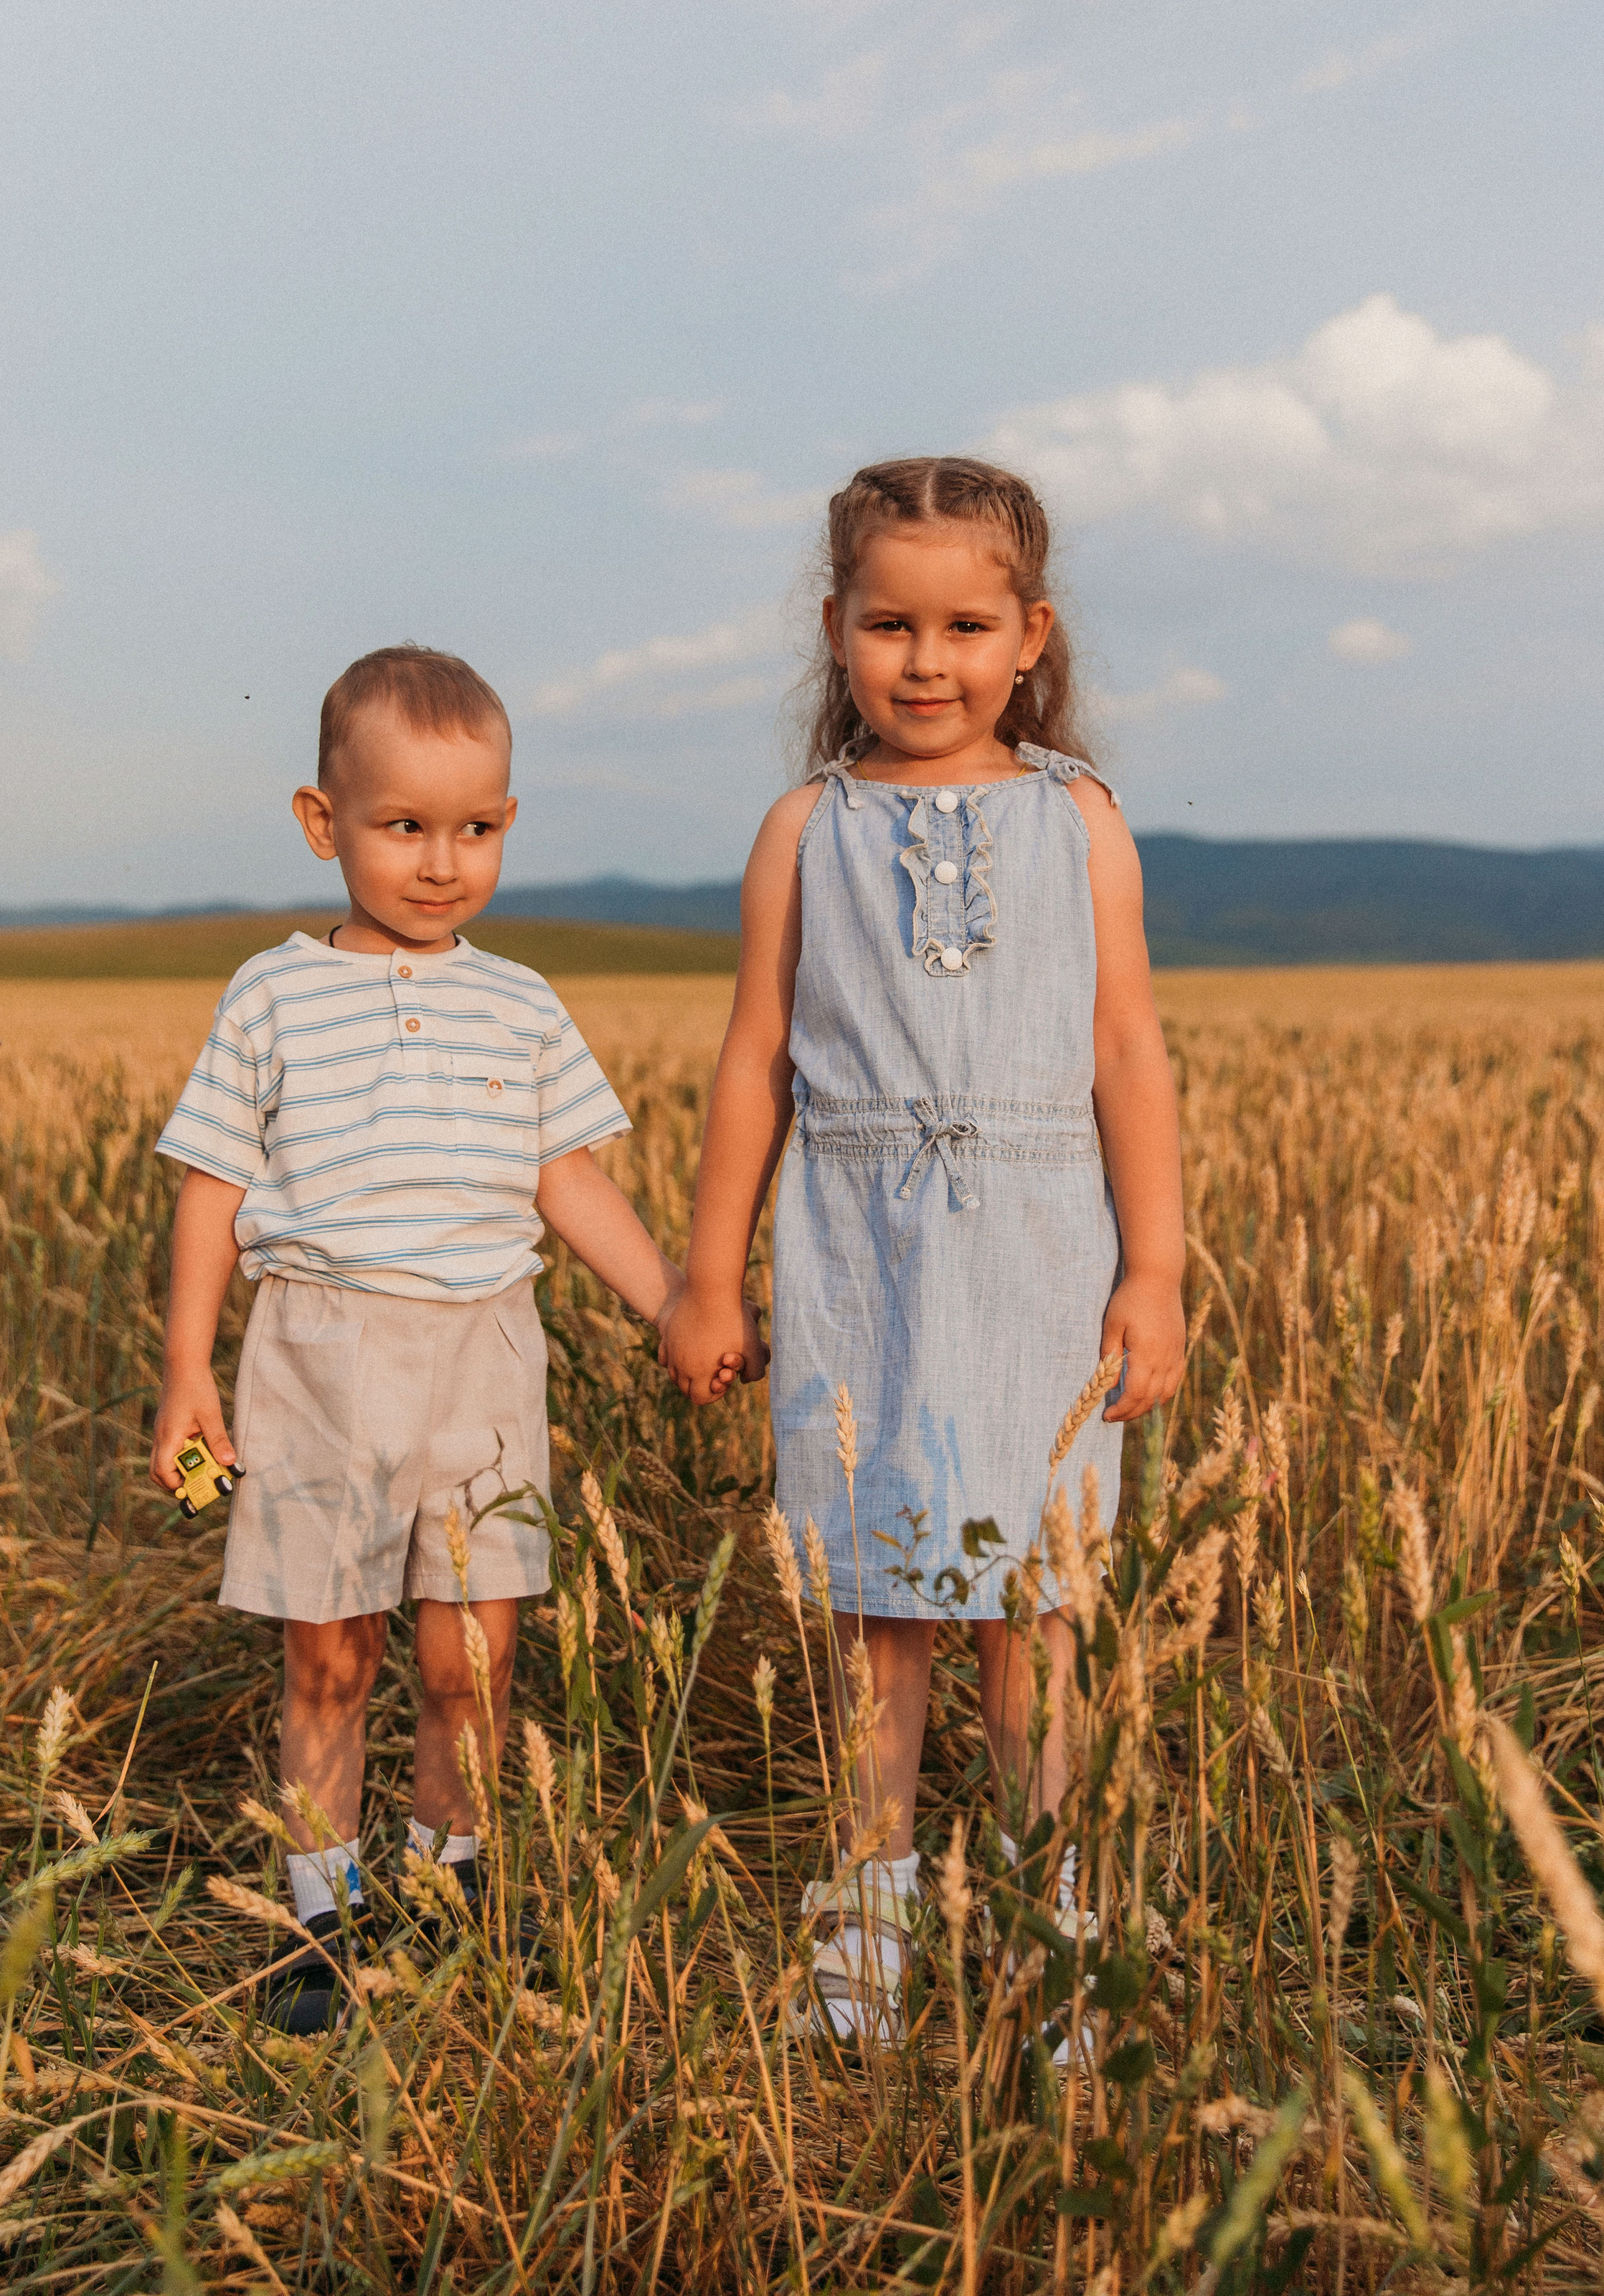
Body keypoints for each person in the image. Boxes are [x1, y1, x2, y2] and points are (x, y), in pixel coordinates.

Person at [661, 458, 1184, 2045]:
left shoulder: (1076, 818)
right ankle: (870, 1899)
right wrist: (705, 1272)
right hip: (859, 1246)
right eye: (889, 624)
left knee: (1037, 1597)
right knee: (878, 1597)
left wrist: (1152, 1269)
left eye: (964, 625)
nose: (925, 659)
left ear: (1028, 636)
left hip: (1037, 1241)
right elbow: (755, 1057)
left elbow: (1124, 1050)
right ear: (834, 630)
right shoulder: (801, 828)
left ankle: (1047, 1913)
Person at [150, 643, 743, 2031]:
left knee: (467, 1659)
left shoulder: (520, 1002)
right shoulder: (273, 993)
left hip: (487, 1355)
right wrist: (188, 1369)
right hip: (318, 1353)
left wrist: (672, 1300)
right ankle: (320, 1917)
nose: (439, 862)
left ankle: (451, 1885)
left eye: (473, 829)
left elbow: (568, 1180)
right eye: (402, 826)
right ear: (322, 822)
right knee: (329, 1653)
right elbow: (212, 1191)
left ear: (509, 827)